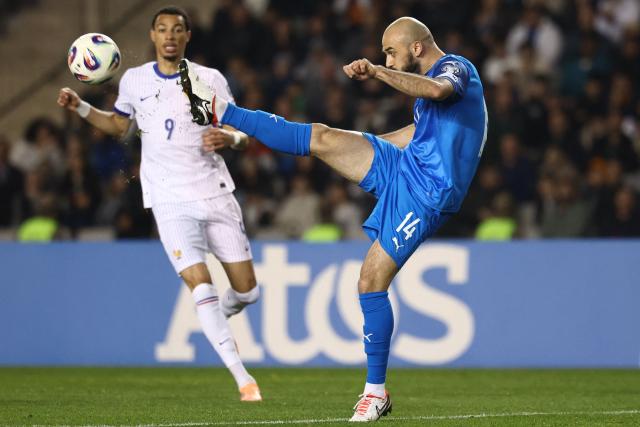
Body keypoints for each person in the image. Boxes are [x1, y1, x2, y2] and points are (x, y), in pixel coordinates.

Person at [181, 16, 488, 421]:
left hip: (430, 193)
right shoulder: (427, 98)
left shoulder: (455, 68)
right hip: (407, 166)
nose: (388, 60)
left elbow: (437, 89)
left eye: (391, 52)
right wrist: (359, 144)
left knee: (370, 280)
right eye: (383, 56)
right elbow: (416, 137)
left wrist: (378, 73)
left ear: (416, 48)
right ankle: (222, 110)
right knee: (324, 137)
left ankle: (375, 393)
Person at [57, 6, 262, 402]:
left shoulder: (210, 78)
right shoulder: (134, 81)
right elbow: (119, 126)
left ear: (187, 37)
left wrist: (230, 139)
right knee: (199, 284)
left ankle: (223, 312)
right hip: (168, 199)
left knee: (248, 291)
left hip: (215, 191)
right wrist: (80, 108)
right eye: (163, 29)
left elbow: (241, 133)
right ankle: (243, 379)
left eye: (178, 29)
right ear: (152, 36)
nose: (170, 35)